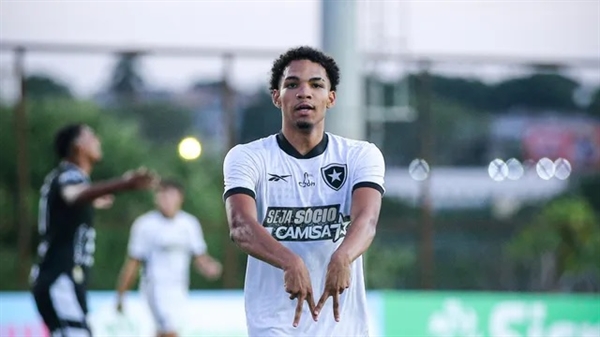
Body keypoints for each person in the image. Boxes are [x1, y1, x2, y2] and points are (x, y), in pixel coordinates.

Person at [223, 46, 385, 336]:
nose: (304, 92)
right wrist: (290, 262)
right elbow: (240, 226)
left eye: (316, 85)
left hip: (342, 328)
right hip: (274, 325)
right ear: (277, 96)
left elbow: (367, 221)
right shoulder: (248, 157)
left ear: (330, 98)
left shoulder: (360, 155)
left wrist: (343, 257)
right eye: (292, 84)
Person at [31, 123, 158, 337]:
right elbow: (74, 195)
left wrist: (95, 198)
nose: (98, 141)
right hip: (59, 277)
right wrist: (123, 184)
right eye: (91, 136)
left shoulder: (74, 179)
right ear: (78, 146)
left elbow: (76, 199)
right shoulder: (69, 175)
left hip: (65, 280)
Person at [116, 179, 223, 337]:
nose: (167, 200)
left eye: (171, 195)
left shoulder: (189, 224)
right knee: (170, 331)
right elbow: (133, 262)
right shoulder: (145, 225)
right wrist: (121, 294)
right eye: (162, 195)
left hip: (179, 289)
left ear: (180, 198)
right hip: (155, 288)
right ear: (156, 198)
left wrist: (209, 266)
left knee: (164, 332)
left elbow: (199, 256)